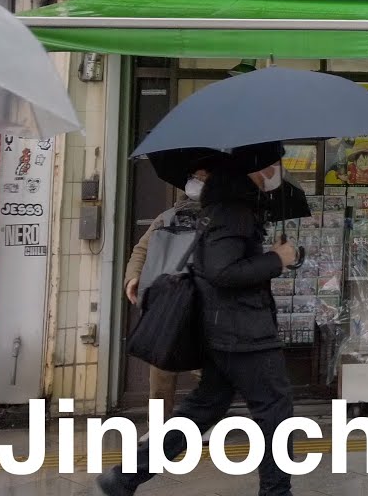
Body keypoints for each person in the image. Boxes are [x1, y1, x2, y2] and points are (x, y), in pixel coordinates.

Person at [98, 142, 300, 496]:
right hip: (243, 332)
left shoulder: (229, 206)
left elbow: (225, 265)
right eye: (272, 165)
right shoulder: (233, 210)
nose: (275, 173)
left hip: (228, 328)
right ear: (254, 168)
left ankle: (124, 477)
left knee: (204, 407)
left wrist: (274, 255)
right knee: (275, 410)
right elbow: (224, 271)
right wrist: (276, 260)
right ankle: (276, 492)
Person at [123, 166, 211, 415]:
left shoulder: (218, 217)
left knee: (206, 370)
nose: (197, 182)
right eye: (194, 177)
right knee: (161, 371)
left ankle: (203, 420)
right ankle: (158, 425)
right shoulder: (167, 217)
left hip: (201, 301)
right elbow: (141, 250)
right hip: (167, 299)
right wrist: (132, 278)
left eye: (204, 178)